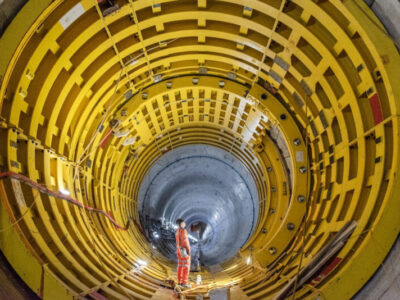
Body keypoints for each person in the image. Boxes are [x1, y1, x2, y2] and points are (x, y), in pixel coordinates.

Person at [175, 219, 191, 288]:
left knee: (180, 266)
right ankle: (185, 283)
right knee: (186, 267)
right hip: (184, 251)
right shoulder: (183, 231)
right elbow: (185, 242)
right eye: (183, 223)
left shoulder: (177, 231)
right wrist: (188, 251)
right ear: (180, 224)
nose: (184, 223)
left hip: (179, 251)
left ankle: (179, 282)